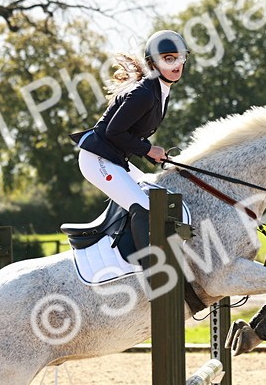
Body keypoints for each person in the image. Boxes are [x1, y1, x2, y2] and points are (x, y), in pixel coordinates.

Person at [70, 30, 187, 251]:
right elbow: (114, 132)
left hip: (115, 159)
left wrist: (153, 154)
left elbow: (129, 135)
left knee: (160, 195)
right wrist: (148, 150)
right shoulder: (143, 93)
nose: (176, 64)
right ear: (153, 64)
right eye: (168, 59)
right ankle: (152, 272)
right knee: (146, 208)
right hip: (97, 160)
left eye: (180, 57)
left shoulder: (161, 90)